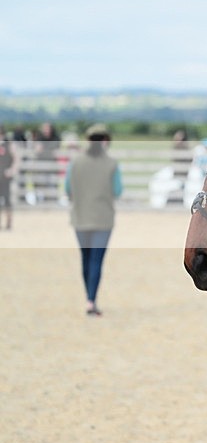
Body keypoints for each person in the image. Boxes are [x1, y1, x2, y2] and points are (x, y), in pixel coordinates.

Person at [65, 124, 123, 316]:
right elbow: (117, 191)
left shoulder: (75, 162)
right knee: (96, 260)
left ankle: (88, 298)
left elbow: (67, 189)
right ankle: (91, 300)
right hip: (102, 218)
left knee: (85, 258)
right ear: (105, 141)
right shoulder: (111, 164)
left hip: (80, 217)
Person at [0, 126, 19, 230]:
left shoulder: (9, 145)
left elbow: (16, 158)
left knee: (7, 201)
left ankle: (9, 223)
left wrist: (12, 170)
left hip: (5, 178)